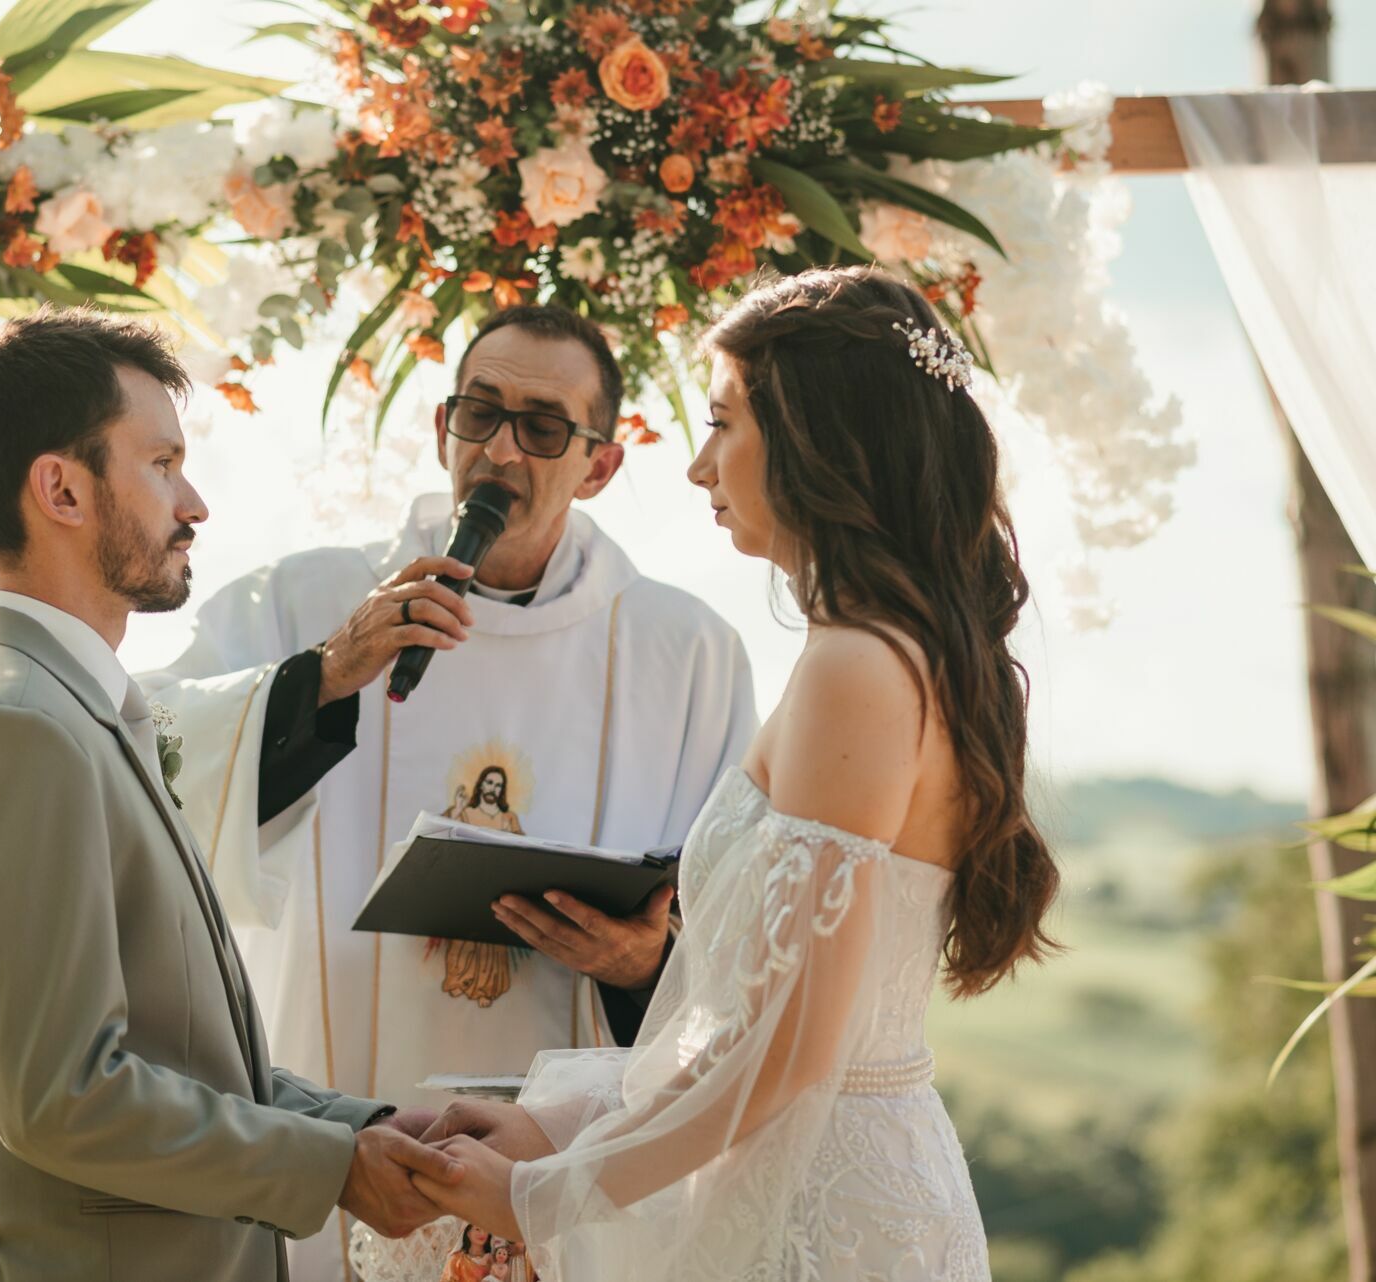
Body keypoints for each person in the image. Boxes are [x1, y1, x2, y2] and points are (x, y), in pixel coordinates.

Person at [407, 267, 1061, 1281]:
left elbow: (795, 1048)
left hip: (821, 1209)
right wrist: (564, 1122)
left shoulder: (860, 667)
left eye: (722, 424)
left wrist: (546, 1195)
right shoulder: (887, 650)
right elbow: (753, 1024)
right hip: (809, 1172)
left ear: (814, 440)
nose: (700, 466)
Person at [147, 305, 757, 1281]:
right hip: (344, 1117)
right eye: (479, 413)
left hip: (560, 1159)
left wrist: (648, 963)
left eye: (543, 426)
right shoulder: (306, 602)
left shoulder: (686, 655)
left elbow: (737, 924)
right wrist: (317, 680)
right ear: (443, 430)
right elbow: (147, 752)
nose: (502, 448)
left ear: (599, 465)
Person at [0, 305, 464, 1282]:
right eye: (161, 464)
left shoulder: (70, 707)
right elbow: (66, 1097)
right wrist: (333, 1166)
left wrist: (364, 1126)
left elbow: (181, 1053)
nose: (193, 503)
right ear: (61, 488)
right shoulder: (15, 730)